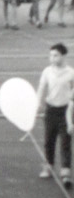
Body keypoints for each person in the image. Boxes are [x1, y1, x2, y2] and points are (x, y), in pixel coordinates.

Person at [34, 44, 72, 189]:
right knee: (49, 139)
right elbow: (41, 88)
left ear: (63, 56)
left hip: (65, 111)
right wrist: (38, 104)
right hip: (51, 110)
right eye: (51, 55)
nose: (52, 58)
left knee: (65, 141)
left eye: (55, 55)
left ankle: (66, 172)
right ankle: (48, 166)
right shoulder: (47, 71)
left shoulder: (71, 73)